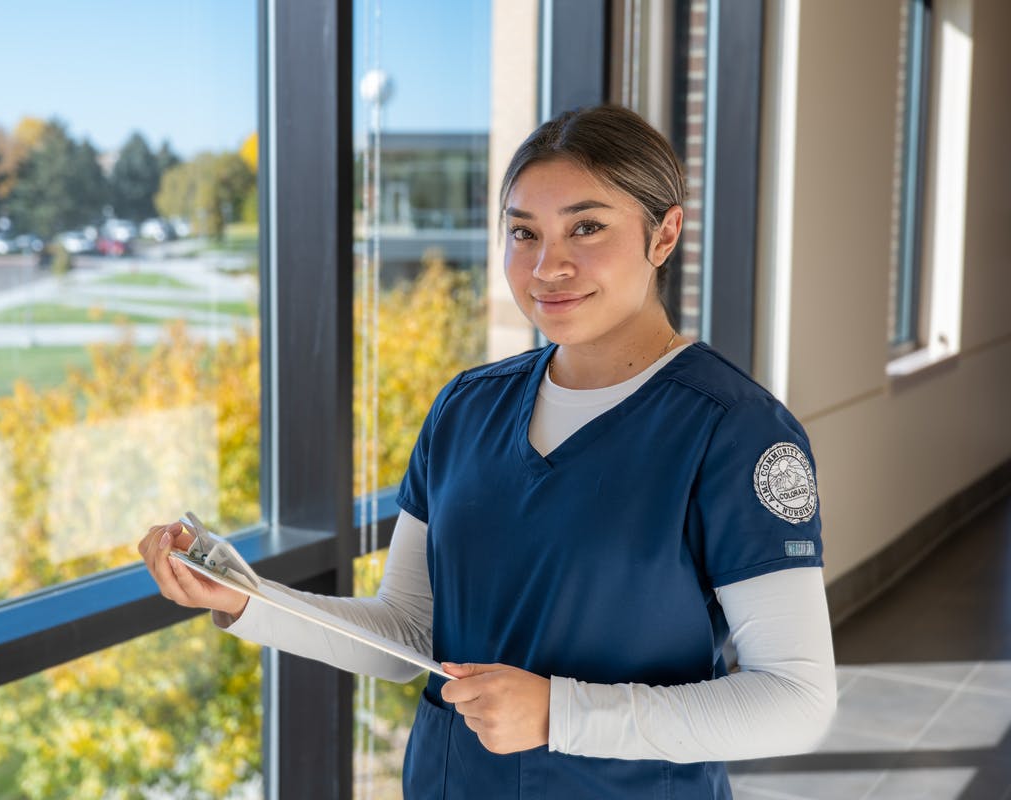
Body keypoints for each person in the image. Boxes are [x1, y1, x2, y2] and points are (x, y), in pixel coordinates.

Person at [138, 104, 836, 799]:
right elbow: (410, 633)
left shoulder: (737, 433)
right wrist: (249, 601)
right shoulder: (465, 409)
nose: (547, 265)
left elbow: (798, 701)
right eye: (522, 232)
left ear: (665, 234)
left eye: (586, 228)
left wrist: (560, 714)